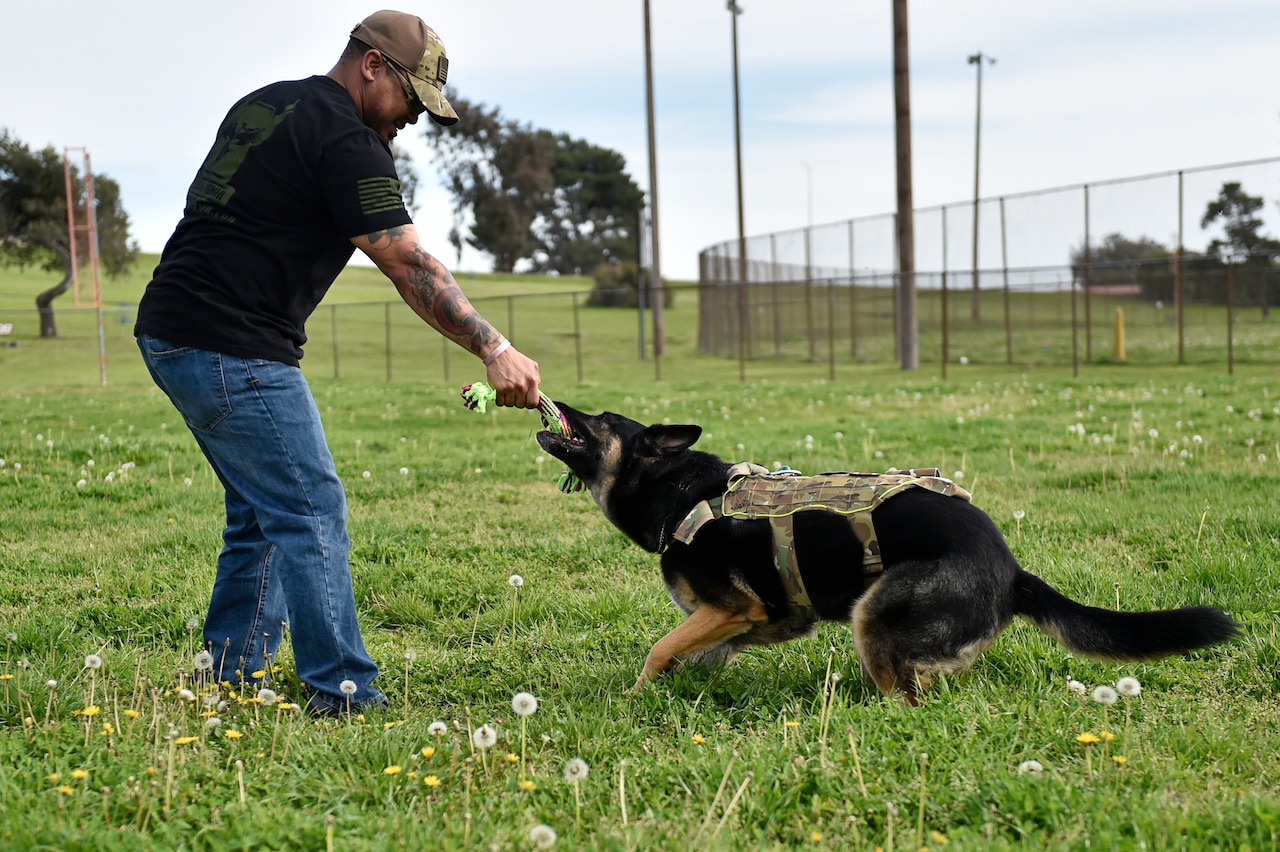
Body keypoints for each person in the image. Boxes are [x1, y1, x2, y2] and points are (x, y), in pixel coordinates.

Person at [134, 10, 540, 717]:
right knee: (311, 510)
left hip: (172, 329)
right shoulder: (347, 139)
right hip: (232, 341)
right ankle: (343, 692)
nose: (412, 117)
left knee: (264, 513)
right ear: (372, 64)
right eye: (410, 98)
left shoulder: (265, 103)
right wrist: (493, 348)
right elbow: (406, 260)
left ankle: (227, 675)